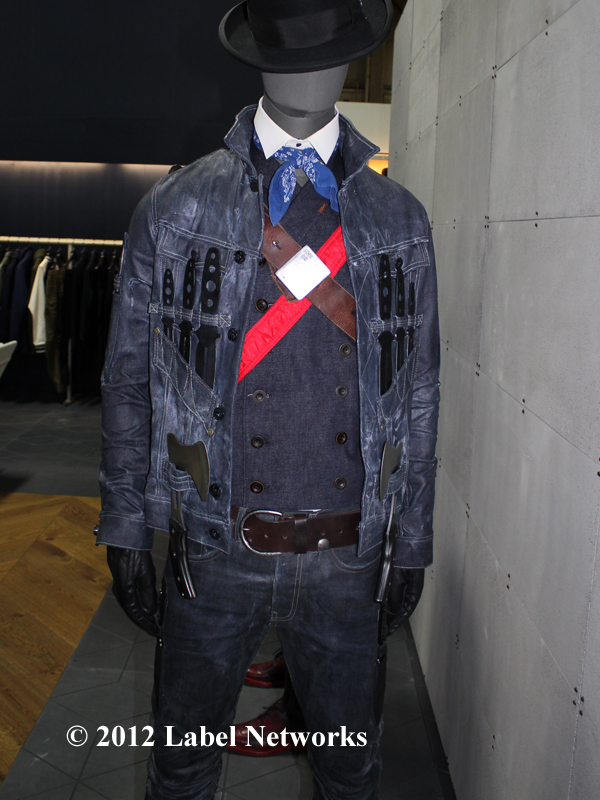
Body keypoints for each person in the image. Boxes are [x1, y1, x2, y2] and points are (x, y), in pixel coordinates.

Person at [98, 1, 440, 797]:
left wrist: (412, 540)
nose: (309, 70)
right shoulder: (176, 208)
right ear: (258, 58)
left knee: (350, 773)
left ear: (351, 58)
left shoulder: (400, 220)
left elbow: (419, 388)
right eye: (290, 49)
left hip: (350, 556)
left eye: (327, 49)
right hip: (214, 548)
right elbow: (128, 380)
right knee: (181, 771)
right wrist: (125, 525)